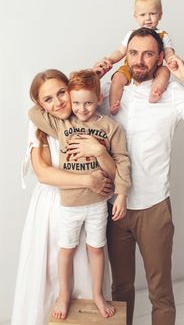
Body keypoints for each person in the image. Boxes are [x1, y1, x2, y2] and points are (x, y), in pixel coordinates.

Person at [97, 28, 184, 325]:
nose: (139, 60)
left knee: (161, 293)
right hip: (112, 209)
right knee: (119, 289)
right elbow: (61, 107)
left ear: (161, 57)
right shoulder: (110, 93)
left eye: (148, 53)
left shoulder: (172, 94)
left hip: (154, 209)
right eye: (133, 53)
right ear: (126, 54)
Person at [11, 69, 113, 325]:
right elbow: (43, 173)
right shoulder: (41, 126)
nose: (58, 103)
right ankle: (59, 300)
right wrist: (87, 180)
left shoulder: (89, 118)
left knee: (87, 266)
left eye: (61, 93)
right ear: (40, 104)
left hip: (87, 204)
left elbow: (95, 87)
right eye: (48, 99)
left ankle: (94, 299)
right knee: (50, 268)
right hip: (52, 207)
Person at [28, 69, 131, 319]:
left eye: (88, 102)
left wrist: (121, 193)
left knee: (96, 249)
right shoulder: (63, 124)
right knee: (67, 249)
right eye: (76, 102)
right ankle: (64, 294)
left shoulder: (110, 126)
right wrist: (69, 92)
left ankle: (97, 294)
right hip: (69, 204)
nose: (81, 108)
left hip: (97, 203)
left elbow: (123, 162)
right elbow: (33, 112)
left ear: (99, 98)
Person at [97, 0, 175, 114]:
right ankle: (113, 104)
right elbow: (120, 51)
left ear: (160, 15)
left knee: (165, 71)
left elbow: (168, 51)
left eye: (152, 14)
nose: (148, 18)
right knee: (118, 77)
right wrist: (110, 60)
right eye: (143, 14)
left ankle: (156, 91)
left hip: (154, 68)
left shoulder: (163, 35)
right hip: (130, 68)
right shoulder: (131, 34)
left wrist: (171, 59)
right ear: (135, 16)